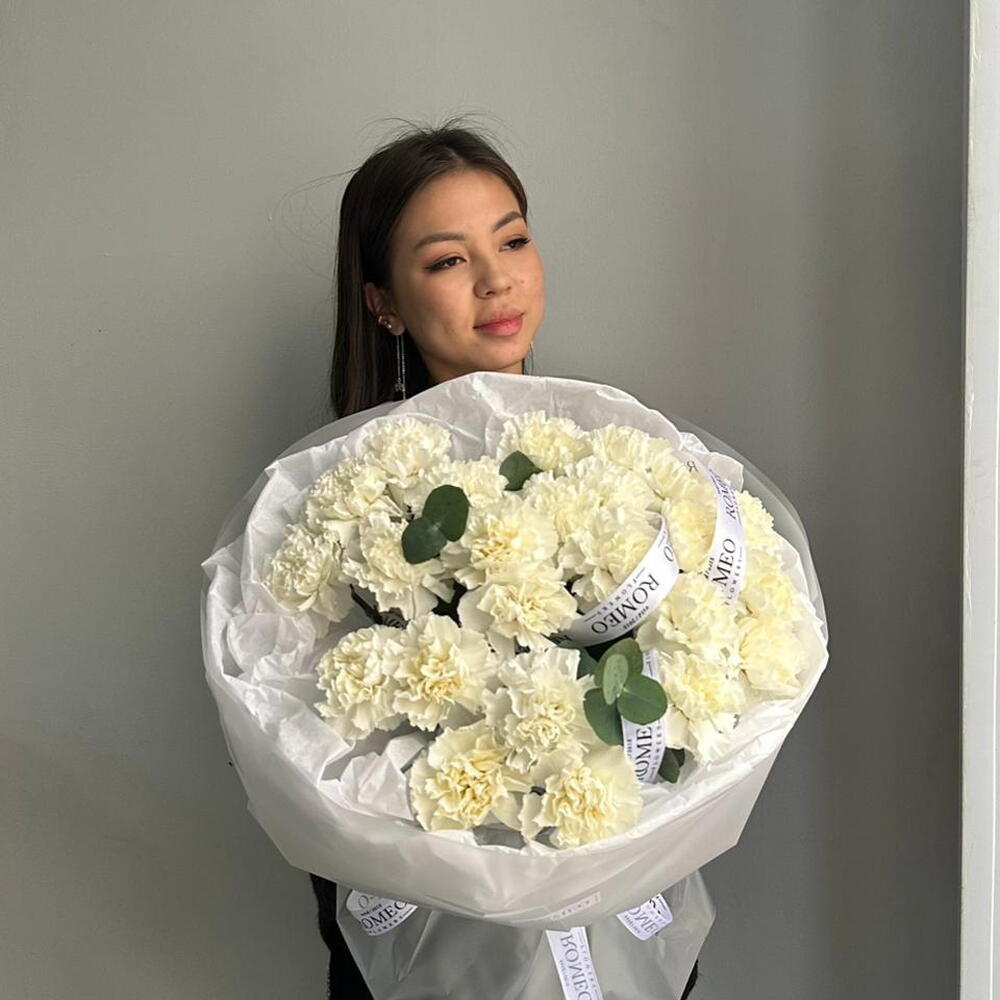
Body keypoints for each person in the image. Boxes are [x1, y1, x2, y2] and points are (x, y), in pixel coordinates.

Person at [310, 115, 699, 1000]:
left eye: (513, 240)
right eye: (448, 260)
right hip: (432, 936)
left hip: (617, 909)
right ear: (383, 303)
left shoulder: (620, 465)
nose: (497, 280)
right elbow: (317, 740)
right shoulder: (347, 508)